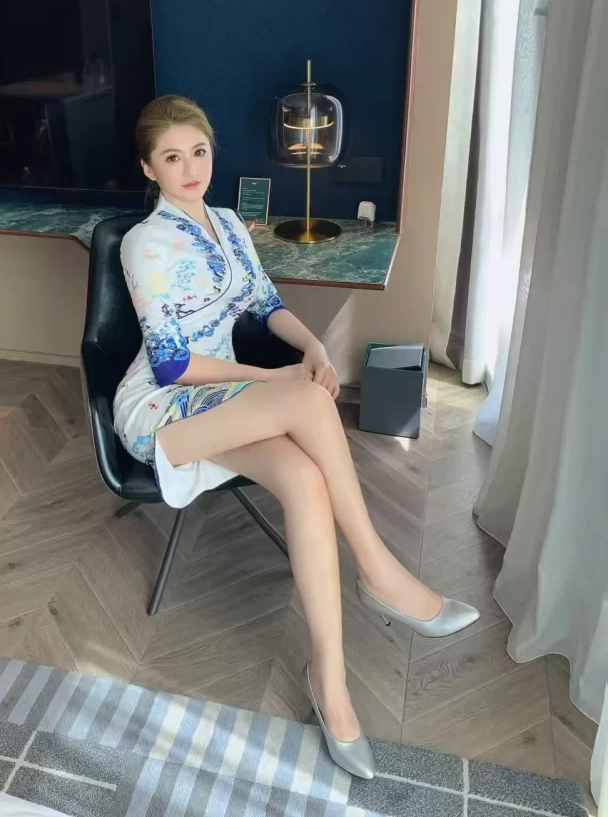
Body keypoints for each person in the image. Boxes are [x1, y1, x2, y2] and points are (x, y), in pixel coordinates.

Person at [113, 94, 479, 780]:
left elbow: (266, 304)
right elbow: (170, 364)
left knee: (306, 479)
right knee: (305, 400)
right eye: (172, 157)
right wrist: (272, 377)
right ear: (148, 167)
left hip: (223, 399)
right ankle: (379, 571)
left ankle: (329, 683)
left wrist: (313, 347)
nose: (190, 168)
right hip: (162, 409)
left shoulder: (228, 223)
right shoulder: (145, 242)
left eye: (199, 151)